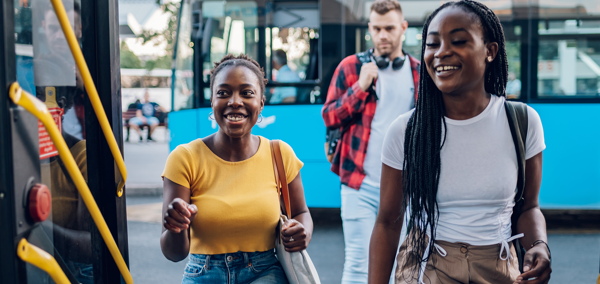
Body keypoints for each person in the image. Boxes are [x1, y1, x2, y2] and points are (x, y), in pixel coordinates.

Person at [369, 1, 551, 284]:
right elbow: (388, 222)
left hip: (500, 267)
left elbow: (528, 208)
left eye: (458, 41)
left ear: (490, 51)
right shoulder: (406, 130)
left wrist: (539, 244)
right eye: (432, 44)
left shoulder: (523, 121)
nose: (441, 52)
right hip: (427, 266)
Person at [160, 54, 314, 284]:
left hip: (265, 273)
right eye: (223, 93)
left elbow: (302, 213)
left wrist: (302, 232)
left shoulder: (280, 154)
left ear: (261, 103)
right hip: (203, 274)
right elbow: (174, 253)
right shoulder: (185, 158)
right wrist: (176, 227)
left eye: (246, 93)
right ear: (211, 101)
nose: (234, 101)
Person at [321, 0, 420, 282]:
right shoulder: (351, 67)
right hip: (359, 184)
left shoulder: (417, 71)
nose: (383, 35)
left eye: (389, 28)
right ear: (369, 29)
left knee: (402, 263)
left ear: (403, 28)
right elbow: (329, 116)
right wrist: (360, 87)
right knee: (357, 264)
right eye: (376, 29)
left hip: (405, 188)